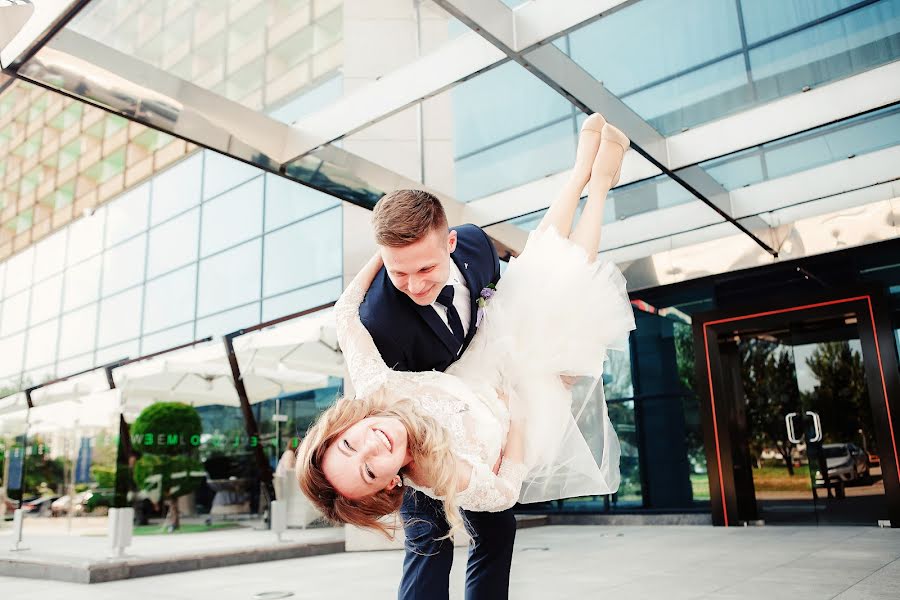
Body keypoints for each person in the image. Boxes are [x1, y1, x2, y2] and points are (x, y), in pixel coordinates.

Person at [297, 113, 635, 599]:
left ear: (343, 429)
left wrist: (387, 254)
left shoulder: (378, 390)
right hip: (517, 404)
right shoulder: (440, 475)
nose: (370, 448)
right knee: (570, 293)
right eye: (371, 471)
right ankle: (600, 184)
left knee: (534, 270)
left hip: (482, 360)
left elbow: (343, 315)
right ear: (390, 482)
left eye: (351, 446)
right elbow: (502, 493)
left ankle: (582, 169)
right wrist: (519, 414)